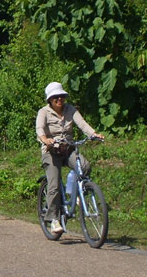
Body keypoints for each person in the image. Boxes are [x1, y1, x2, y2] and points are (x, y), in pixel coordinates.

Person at [36, 82, 104, 234]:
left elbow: (83, 124)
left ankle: (75, 193)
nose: (60, 99)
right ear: (50, 99)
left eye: (62, 96)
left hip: (67, 148)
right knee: (53, 185)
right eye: (56, 97)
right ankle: (53, 219)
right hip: (51, 151)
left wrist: (93, 134)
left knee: (85, 166)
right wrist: (45, 139)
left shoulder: (70, 109)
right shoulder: (44, 112)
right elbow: (39, 129)